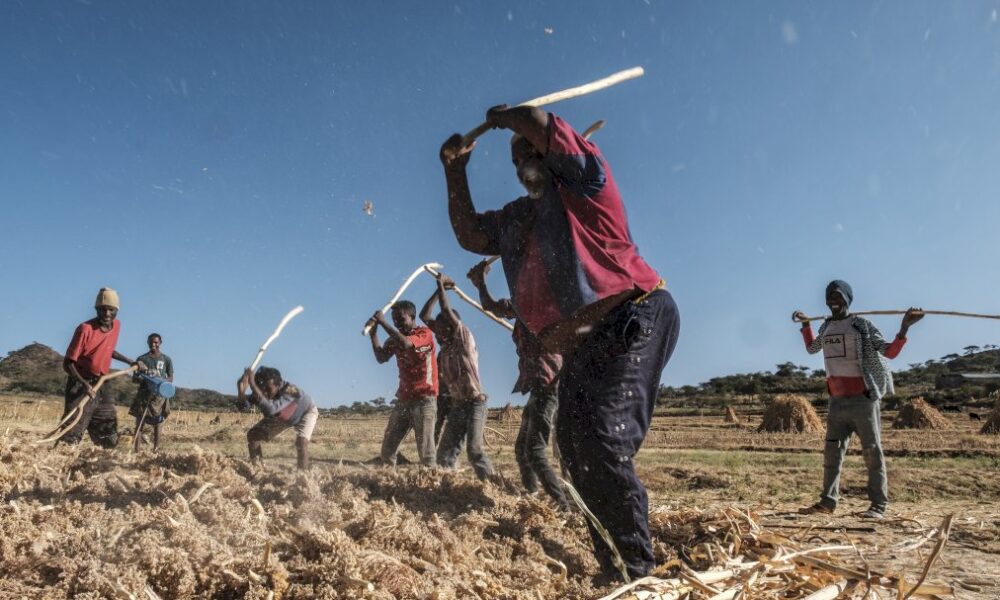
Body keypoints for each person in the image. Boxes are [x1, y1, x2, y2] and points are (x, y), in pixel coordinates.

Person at [440, 106, 680, 582]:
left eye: (528, 152)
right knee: (572, 447)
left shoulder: (586, 182)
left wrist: (512, 117)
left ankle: (637, 574)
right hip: (583, 345)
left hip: (632, 317)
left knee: (601, 438)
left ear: (554, 151)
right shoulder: (515, 219)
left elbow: (536, 120)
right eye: (513, 161)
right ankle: (615, 565)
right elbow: (469, 234)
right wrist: (455, 171)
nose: (520, 164)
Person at [793, 280, 923, 519]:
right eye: (830, 296)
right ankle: (827, 502)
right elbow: (812, 349)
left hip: (863, 400)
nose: (834, 300)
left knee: (872, 452)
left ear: (848, 300)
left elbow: (889, 352)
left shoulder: (861, 325)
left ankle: (878, 506)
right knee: (832, 454)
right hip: (837, 401)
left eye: (839, 296)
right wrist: (805, 325)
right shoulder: (825, 328)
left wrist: (904, 327)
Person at [468, 259, 568, 507]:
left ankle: (563, 504)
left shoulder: (539, 304)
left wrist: (480, 282)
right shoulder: (528, 303)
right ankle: (533, 495)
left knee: (533, 451)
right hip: (538, 386)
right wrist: (480, 282)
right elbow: (493, 306)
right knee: (522, 451)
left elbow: (492, 306)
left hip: (548, 386)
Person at [420, 274, 493, 480]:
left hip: (475, 404)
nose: (437, 334)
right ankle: (448, 490)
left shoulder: (463, 340)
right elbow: (425, 316)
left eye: (441, 330)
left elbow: (445, 311)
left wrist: (441, 286)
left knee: (475, 451)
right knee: (445, 455)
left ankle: (495, 488)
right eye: (437, 331)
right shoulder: (446, 347)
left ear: (452, 327)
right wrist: (437, 292)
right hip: (458, 406)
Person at [60, 287, 144, 447]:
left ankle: (103, 464)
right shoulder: (85, 329)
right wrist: (85, 385)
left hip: (102, 383)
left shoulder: (116, 326)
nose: (106, 314)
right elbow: (68, 363)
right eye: (102, 310)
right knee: (73, 429)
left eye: (111, 310)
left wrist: (130, 361)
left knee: (107, 432)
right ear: (96, 309)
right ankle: (63, 460)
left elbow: (108, 350)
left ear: (116, 311)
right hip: (80, 383)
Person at [366, 301, 438, 467]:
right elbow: (381, 358)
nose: (397, 323)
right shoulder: (394, 339)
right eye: (394, 320)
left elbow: (407, 344)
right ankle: (387, 485)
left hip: (425, 399)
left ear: (412, 317)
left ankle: (432, 487)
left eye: (400, 319)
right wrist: (374, 334)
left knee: (426, 453)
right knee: (388, 451)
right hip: (404, 399)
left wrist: (383, 322)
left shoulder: (424, 333)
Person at [237, 366, 318, 470]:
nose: (265, 392)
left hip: (305, 412)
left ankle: (303, 476)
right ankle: (258, 469)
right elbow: (243, 407)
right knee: (253, 435)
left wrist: (252, 385)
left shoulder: (291, 390)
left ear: (278, 385)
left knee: (301, 442)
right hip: (282, 415)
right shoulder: (261, 390)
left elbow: (271, 410)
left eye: (269, 389)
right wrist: (241, 391)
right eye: (262, 389)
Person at [129, 332, 174, 452]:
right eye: (151, 342)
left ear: (160, 343)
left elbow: (170, 377)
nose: (153, 344)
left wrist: (160, 380)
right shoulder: (142, 359)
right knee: (140, 423)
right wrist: (145, 377)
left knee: (158, 423)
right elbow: (134, 378)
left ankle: (156, 450)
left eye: (156, 342)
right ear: (147, 343)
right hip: (144, 395)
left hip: (159, 396)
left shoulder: (166, 359)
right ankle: (137, 452)